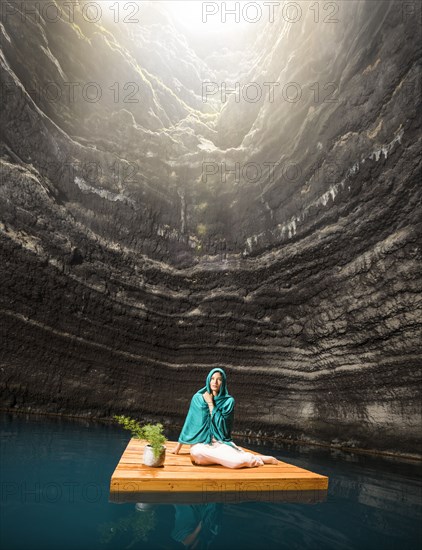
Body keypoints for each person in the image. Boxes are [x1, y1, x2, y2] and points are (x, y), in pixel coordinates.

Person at [171, 368, 278, 468]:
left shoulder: (228, 401)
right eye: (212, 379)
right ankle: (238, 456)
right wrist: (178, 447)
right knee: (197, 454)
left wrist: (210, 403)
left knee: (237, 463)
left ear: (223, 382)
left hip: (220, 442)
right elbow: (190, 422)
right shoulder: (198, 398)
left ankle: (254, 459)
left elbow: (223, 427)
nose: (215, 382)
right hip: (201, 443)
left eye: (219, 380)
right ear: (208, 380)